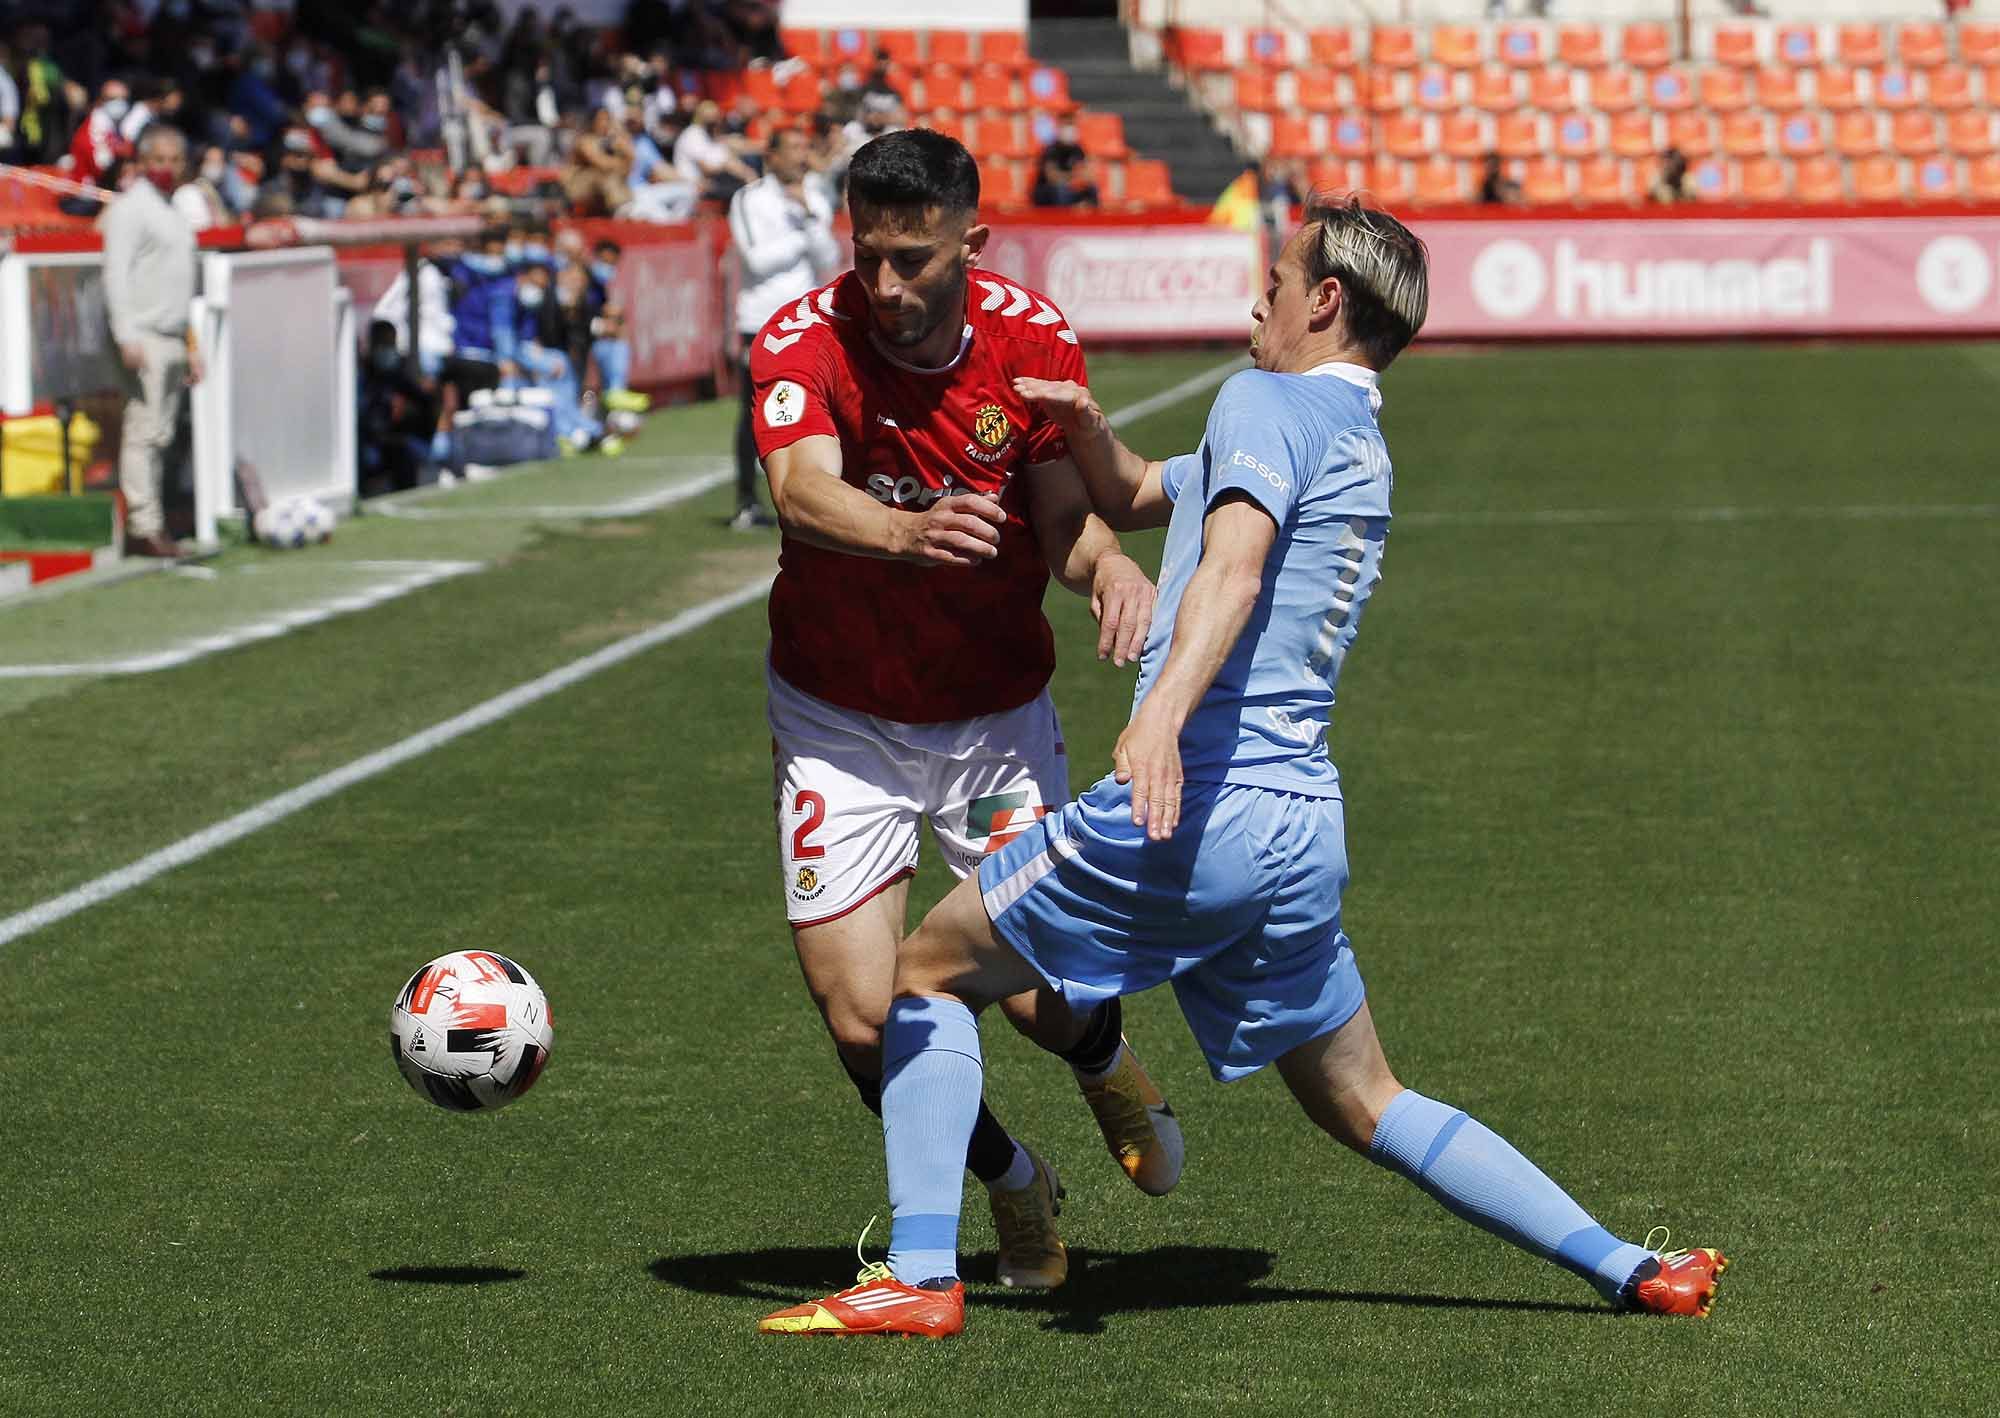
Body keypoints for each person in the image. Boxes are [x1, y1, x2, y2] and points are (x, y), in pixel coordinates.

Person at [760, 195, 1730, 1337]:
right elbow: (1134, 495)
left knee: (919, 974)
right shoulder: (1346, 431)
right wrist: (1080, 425)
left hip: (1197, 806)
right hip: (1298, 825)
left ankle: (919, 1277)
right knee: (1368, 1100)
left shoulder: (1263, 398)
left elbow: (1230, 566)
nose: (1253, 300)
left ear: (1324, 301)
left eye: (1273, 281)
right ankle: (1631, 1265)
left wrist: (1161, 715)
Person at [745, 128, 1184, 1291]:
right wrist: (903, 530)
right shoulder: (800, 338)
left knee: (1043, 996)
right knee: (857, 1020)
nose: (885, 287)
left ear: (969, 245)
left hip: (990, 717)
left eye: (914, 261)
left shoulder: (1029, 337)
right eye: (867, 255)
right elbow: (795, 486)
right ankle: (1010, 1179)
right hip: (839, 720)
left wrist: (1110, 571)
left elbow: (1061, 519)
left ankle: (1105, 1060)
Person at [726, 125, 838, 530]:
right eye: (791, 147)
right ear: (770, 156)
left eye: (803, 146)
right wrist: (800, 234)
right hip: (760, 317)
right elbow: (756, 260)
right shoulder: (749, 199)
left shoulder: (815, 193)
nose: (799, 155)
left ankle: (819, 498)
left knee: (817, 408)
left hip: (807, 318)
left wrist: (807, 216)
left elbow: (828, 254)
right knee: (754, 411)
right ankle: (745, 501)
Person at [102, 122, 201, 560]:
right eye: (159, 159)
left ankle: (155, 518)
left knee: (161, 433)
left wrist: (191, 344)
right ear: (142, 163)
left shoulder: (175, 211)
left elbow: (183, 286)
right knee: (144, 431)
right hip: (145, 334)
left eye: (174, 160)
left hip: (172, 334)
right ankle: (144, 525)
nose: (167, 167)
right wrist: (126, 333)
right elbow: (115, 276)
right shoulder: (131, 209)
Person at [1030, 121, 1096, 209]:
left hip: (1068, 186)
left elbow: (1089, 175)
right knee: (1060, 189)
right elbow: (1052, 177)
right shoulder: (1051, 149)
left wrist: (1081, 179)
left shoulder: (1077, 148)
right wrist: (1073, 177)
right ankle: (1063, 218)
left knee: (1092, 188)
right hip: (1046, 190)